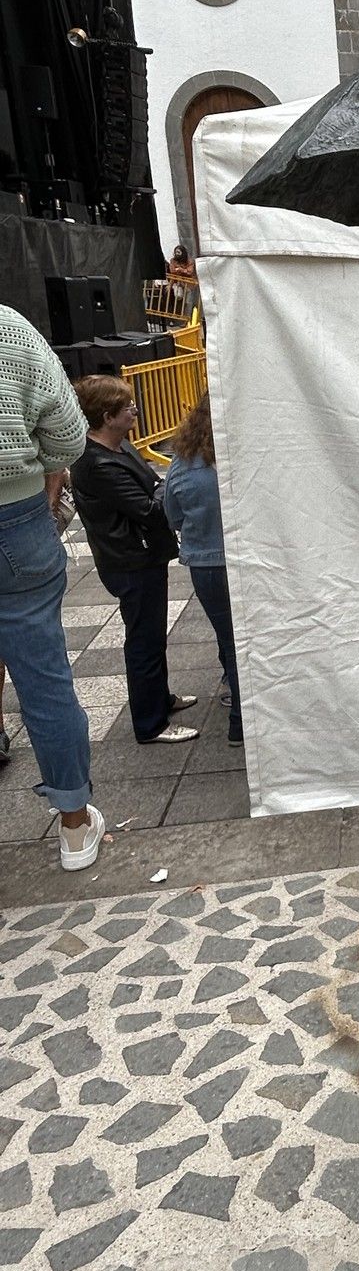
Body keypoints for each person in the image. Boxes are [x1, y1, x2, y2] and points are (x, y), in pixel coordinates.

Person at [0, 303, 109, 868]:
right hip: (14, 519)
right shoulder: (8, 329)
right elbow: (69, 433)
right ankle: (72, 826)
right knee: (43, 679)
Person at [70, 376, 199, 746]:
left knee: (152, 636)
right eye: (127, 406)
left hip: (141, 556)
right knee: (143, 641)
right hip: (130, 563)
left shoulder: (118, 447)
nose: (135, 410)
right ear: (107, 416)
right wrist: (165, 487)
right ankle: (150, 723)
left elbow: (151, 488)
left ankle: (159, 699)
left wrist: (159, 487)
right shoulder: (97, 463)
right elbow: (148, 508)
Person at [163, 394, 241, 744]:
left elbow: (173, 516)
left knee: (227, 635)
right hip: (246, 559)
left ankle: (236, 707)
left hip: (206, 564)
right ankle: (245, 714)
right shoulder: (243, 457)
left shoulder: (182, 464)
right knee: (249, 637)